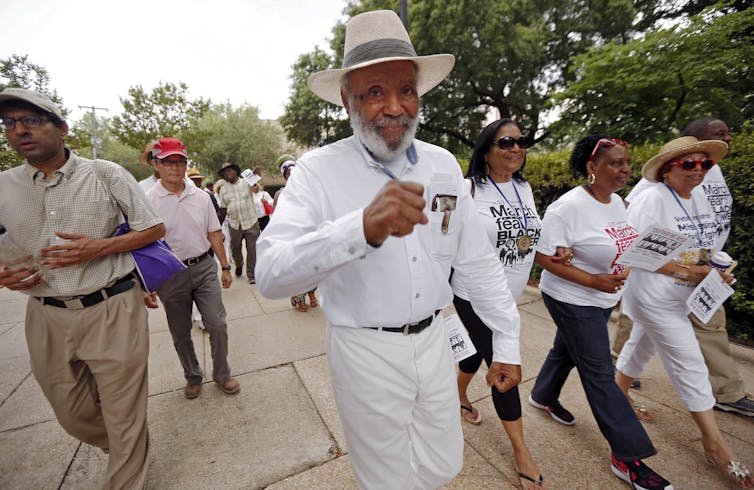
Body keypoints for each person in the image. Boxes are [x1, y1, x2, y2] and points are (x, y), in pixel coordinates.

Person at [256, 10, 522, 489]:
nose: (395, 106)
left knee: (444, 464)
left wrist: (506, 342)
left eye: (406, 89)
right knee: (386, 480)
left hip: (436, 340)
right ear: (346, 99)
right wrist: (360, 229)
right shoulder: (318, 172)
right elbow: (271, 274)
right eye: (375, 91)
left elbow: (476, 263)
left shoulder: (442, 165)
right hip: (364, 349)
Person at [0, 87, 165, 489]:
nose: (19, 130)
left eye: (31, 121)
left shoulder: (105, 174)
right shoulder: (4, 185)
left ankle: (127, 465)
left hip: (112, 306)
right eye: (10, 123)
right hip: (45, 315)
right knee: (71, 413)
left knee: (124, 412)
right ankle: (128, 447)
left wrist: (98, 248)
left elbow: (154, 228)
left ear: (63, 129)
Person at [528, 134, 673, 490]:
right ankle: (628, 458)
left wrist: (626, 265)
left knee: (566, 350)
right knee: (600, 374)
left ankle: (542, 395)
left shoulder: (618, 203)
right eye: (616, 163)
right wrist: (592, 280)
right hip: (571, 299)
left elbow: (622, 242)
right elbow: (543, 258)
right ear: (593, 168)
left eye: (626, 163)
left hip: (601, 298)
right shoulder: (566, 207)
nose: (625, 170)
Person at [615, 137, 752, 488]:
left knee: (641, 346)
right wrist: (685, 272)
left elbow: (701, 246)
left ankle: (619, 394)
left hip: (684, 293)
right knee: (689, 361)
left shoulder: (701, 196)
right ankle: (714, 442)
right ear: (667, 169)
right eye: (689, 164)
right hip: (652, 295)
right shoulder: (652, 199)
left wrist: (715, 270)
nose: (699, 170)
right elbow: (633, 250)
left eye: (704, 164)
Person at [451, 118, 545, 489]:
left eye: (522, 142)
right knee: (503, 367)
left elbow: (529, 238)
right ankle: (521, 450)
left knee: (474, 354)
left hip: (510, 294)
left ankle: (457, 395)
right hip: (473, 295)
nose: (516, 149)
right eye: (506, 142)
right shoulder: (467, 190)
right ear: (486, 149)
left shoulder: (525, 189)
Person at [145, 138, 240, 399]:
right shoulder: (147, 200)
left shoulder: (201, 196)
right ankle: (193, 375)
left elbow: (214, 233)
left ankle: (222, 374)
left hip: (204, 267)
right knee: (180, 332)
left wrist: (225, 266)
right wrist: (145, 283)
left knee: (216, 323)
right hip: (170, 275)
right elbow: (143, 243)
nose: (175, 168)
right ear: (156, 165)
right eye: (168, 162)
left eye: (180, 162)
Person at [272, 155, 318, 312]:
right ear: (284, 176)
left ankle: (311, 293)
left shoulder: (308, 190)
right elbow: (276, 218)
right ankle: (299, 298)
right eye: (288, 174)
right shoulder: (280, 194)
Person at [216, 161, 260, 284]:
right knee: (235, 248)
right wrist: (218, 227)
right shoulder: (223, 189)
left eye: (230, 170)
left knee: (252, 249)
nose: (228, 173)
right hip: (234, 224)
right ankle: (239, 264)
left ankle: (251, 274)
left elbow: (256, 190)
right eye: (225, 172)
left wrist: (255, 178)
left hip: (251, 221)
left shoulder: (246, 182)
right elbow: (223, 209)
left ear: (235, 171)